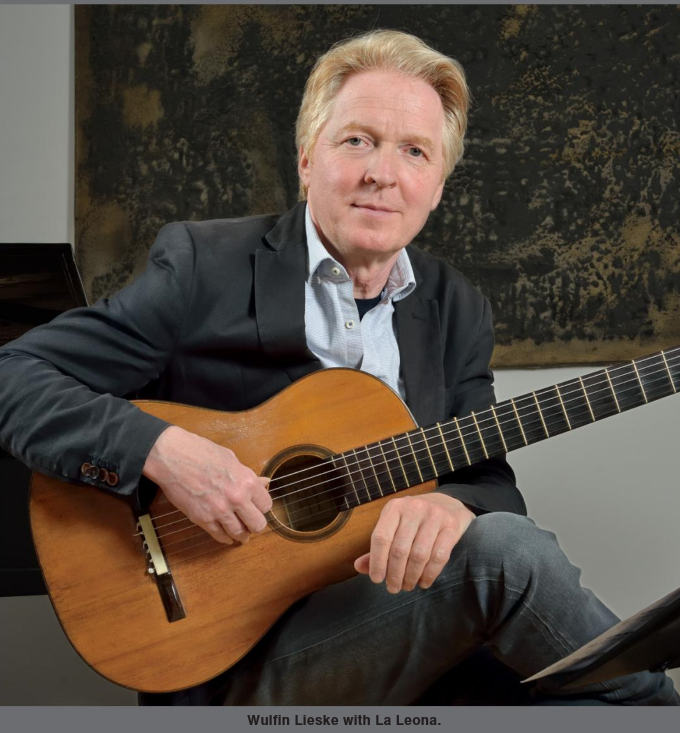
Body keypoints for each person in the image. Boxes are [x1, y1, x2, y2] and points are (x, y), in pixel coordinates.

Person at [0, 30, 676, 706]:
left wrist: (451, 503)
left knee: (566, 683)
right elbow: (15, 375)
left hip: (403, 632)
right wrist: (165, 451)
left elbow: (488, 480)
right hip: (226, 657)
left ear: (437, 186)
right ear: (306, 159)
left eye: (415, 151)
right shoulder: (205, 266)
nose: (383, 173)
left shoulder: (455, 307)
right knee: (507, 553)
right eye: (357, 141)